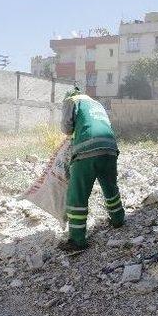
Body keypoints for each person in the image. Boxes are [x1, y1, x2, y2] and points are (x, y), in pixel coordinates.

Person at [58, 87, 124, 251]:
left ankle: (77, 240)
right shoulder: (96, 104)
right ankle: (118, 219)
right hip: (110, 148)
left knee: (77, 195)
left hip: (87, 150)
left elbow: (66, 127)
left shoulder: (71, 100)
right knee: (110, 186)